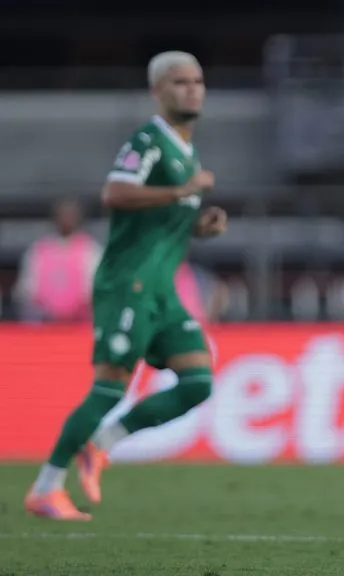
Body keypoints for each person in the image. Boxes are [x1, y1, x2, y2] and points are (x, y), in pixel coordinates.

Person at [24, 51, 228, 521]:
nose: (191, 89)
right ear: (157, 91)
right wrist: (182, 191)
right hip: (127, 285)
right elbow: (114, 192)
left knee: (198, 381)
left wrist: (200, 225)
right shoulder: (148, 141)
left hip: (162, 291)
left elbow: (161, 222)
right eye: (179, 82)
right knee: (110, 387)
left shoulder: (187, 150)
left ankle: (102, 443)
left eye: (197, 81)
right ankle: (46, 487)